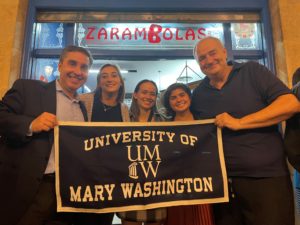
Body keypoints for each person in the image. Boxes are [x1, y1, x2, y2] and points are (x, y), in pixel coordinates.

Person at [191, 36, 300, 225]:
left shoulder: (252, 71)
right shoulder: (199, 94)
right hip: (223, 187)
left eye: (212, 53)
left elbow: (290, 104)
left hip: (266, 180)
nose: (208, 60)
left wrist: (240, 122)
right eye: (201, 58)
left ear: (225, 53)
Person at [0, 45, 93, 225]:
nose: (77, 71)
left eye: (84, 67)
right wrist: (30, 124)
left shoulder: (82, 107)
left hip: (66, 193)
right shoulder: (29, 88)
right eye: (72, 64)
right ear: (60, 66)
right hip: (31, 189)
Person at [79, 63, 130, 225]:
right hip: (84, 175)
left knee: (104, 220)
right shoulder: (83, 100)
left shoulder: (124, 109)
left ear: (120, 81)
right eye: (104, 76)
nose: (109, 79)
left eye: (114, 75)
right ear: (99, 82)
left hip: (110, 179)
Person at [162, 82, 215, 225]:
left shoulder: (205, 123)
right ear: (169, 103)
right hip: (174, 188)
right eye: (173, 98)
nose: (178, 100)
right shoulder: (163, 128)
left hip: (201, 186)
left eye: (182, 95)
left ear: (190, 98)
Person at [117, 79, 166, 225]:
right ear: (135, 95)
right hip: (130, 187)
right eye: (144, 92)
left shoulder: (164, 122)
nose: (149, 96)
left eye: (152, 94)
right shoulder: (123, 120)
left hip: (156, 188)